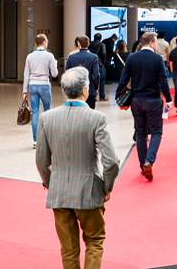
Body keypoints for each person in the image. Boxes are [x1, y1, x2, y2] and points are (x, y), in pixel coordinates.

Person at [36, 67, 120, 269]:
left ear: (64, 90)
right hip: (88, 191)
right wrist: (106, 187)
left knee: (68, 247)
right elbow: (112, 162)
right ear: (84, 90)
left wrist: (50, 183)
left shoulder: (46, 118)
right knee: (94, 240)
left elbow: (41, 161)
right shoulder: (96, 118)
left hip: (59, 193)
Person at [117, 32, 172, 181]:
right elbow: (163, 79)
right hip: (153, 100)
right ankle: (149, 161)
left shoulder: (132, 58)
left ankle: (143, 165)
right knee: (156, 132)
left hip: (136, 100)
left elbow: (124, 78)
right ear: (152, 43)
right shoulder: (157, 58)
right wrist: (168, 98)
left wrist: (118, 96)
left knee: (140, 133)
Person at [25, 34, 60, 146]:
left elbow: (26, 74)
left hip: (32, 85)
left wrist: (24, 92)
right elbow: (54, 74)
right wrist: (55, 64)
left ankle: (36, 140)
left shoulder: (29, 56)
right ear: (44, 42)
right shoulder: (49, 56)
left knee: (35, 112)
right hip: (44, 84)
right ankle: (47, 138)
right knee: (47, 111)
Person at [66, 36, 106, 109]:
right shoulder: (94, 57)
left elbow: (67, 74)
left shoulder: (71, 57)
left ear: (79, 44)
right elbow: (96, 74)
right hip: (89, 89)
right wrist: (96, 87)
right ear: (88, 44)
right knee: (90, 111)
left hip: (74, 89)